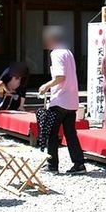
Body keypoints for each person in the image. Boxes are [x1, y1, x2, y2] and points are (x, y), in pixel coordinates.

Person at [37, 26, 86, 174]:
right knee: (70, 133)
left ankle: (52, 165)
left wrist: (46, 86)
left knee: (51, 132)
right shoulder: (67, 52)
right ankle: (79, 164)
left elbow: (60, 76)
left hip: (60, 99)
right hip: (71, 100)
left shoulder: (56, 53)